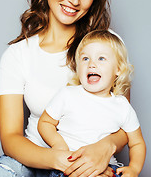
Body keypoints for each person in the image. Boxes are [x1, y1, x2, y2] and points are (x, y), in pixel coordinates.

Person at [0, 0, 129, 177]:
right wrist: (60, 160)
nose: (74, 0)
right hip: (31, 163)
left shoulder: (108, 45)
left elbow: (126, 123)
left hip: (94, 166)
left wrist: (103, 149)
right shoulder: (17, 54)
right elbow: (10, 138)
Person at [38, 30, 146, 177]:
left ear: (118, 69)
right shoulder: (68, 94)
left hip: (107, 168)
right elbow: (45, 122)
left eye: (101, 58)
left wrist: (134, 168)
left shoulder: (122, 106)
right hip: (68, 165)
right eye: (85, 59)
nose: (92, 64)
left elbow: (137, 143)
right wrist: (58, 144)